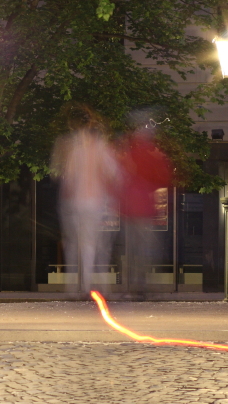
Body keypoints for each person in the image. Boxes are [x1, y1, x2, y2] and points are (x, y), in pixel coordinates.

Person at [51, 106, 119, 294]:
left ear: (71, 124)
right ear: (90, 123)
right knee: (90, 242)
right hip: (94, 200)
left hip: (71, 200)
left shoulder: (66, 143)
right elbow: (113, 171)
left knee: (72, 242)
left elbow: (58, 171)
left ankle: (73, 286)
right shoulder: (98, 144)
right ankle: (87, 285)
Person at [116, 113, 174, 297]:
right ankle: (141, 284)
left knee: (130, 248)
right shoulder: (151, 155)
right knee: (144, 248)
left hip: (128, 208)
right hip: (144, 208)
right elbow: (163, 177)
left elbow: (118, 178)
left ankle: (132, 285)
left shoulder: (128, 154)